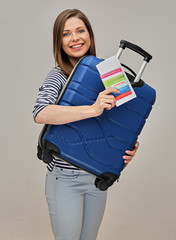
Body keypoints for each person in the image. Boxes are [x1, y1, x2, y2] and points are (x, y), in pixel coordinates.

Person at [33, 9, 139, 240]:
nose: (75, 38)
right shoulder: (58, 76)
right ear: (59, 42)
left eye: (80, 30)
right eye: (66, 34)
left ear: (89, 34)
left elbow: (116, 122)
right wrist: (93, 108)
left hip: (96, 177)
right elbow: (40, 112)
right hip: (65, 179)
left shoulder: (109, 74)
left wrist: (126, 147)